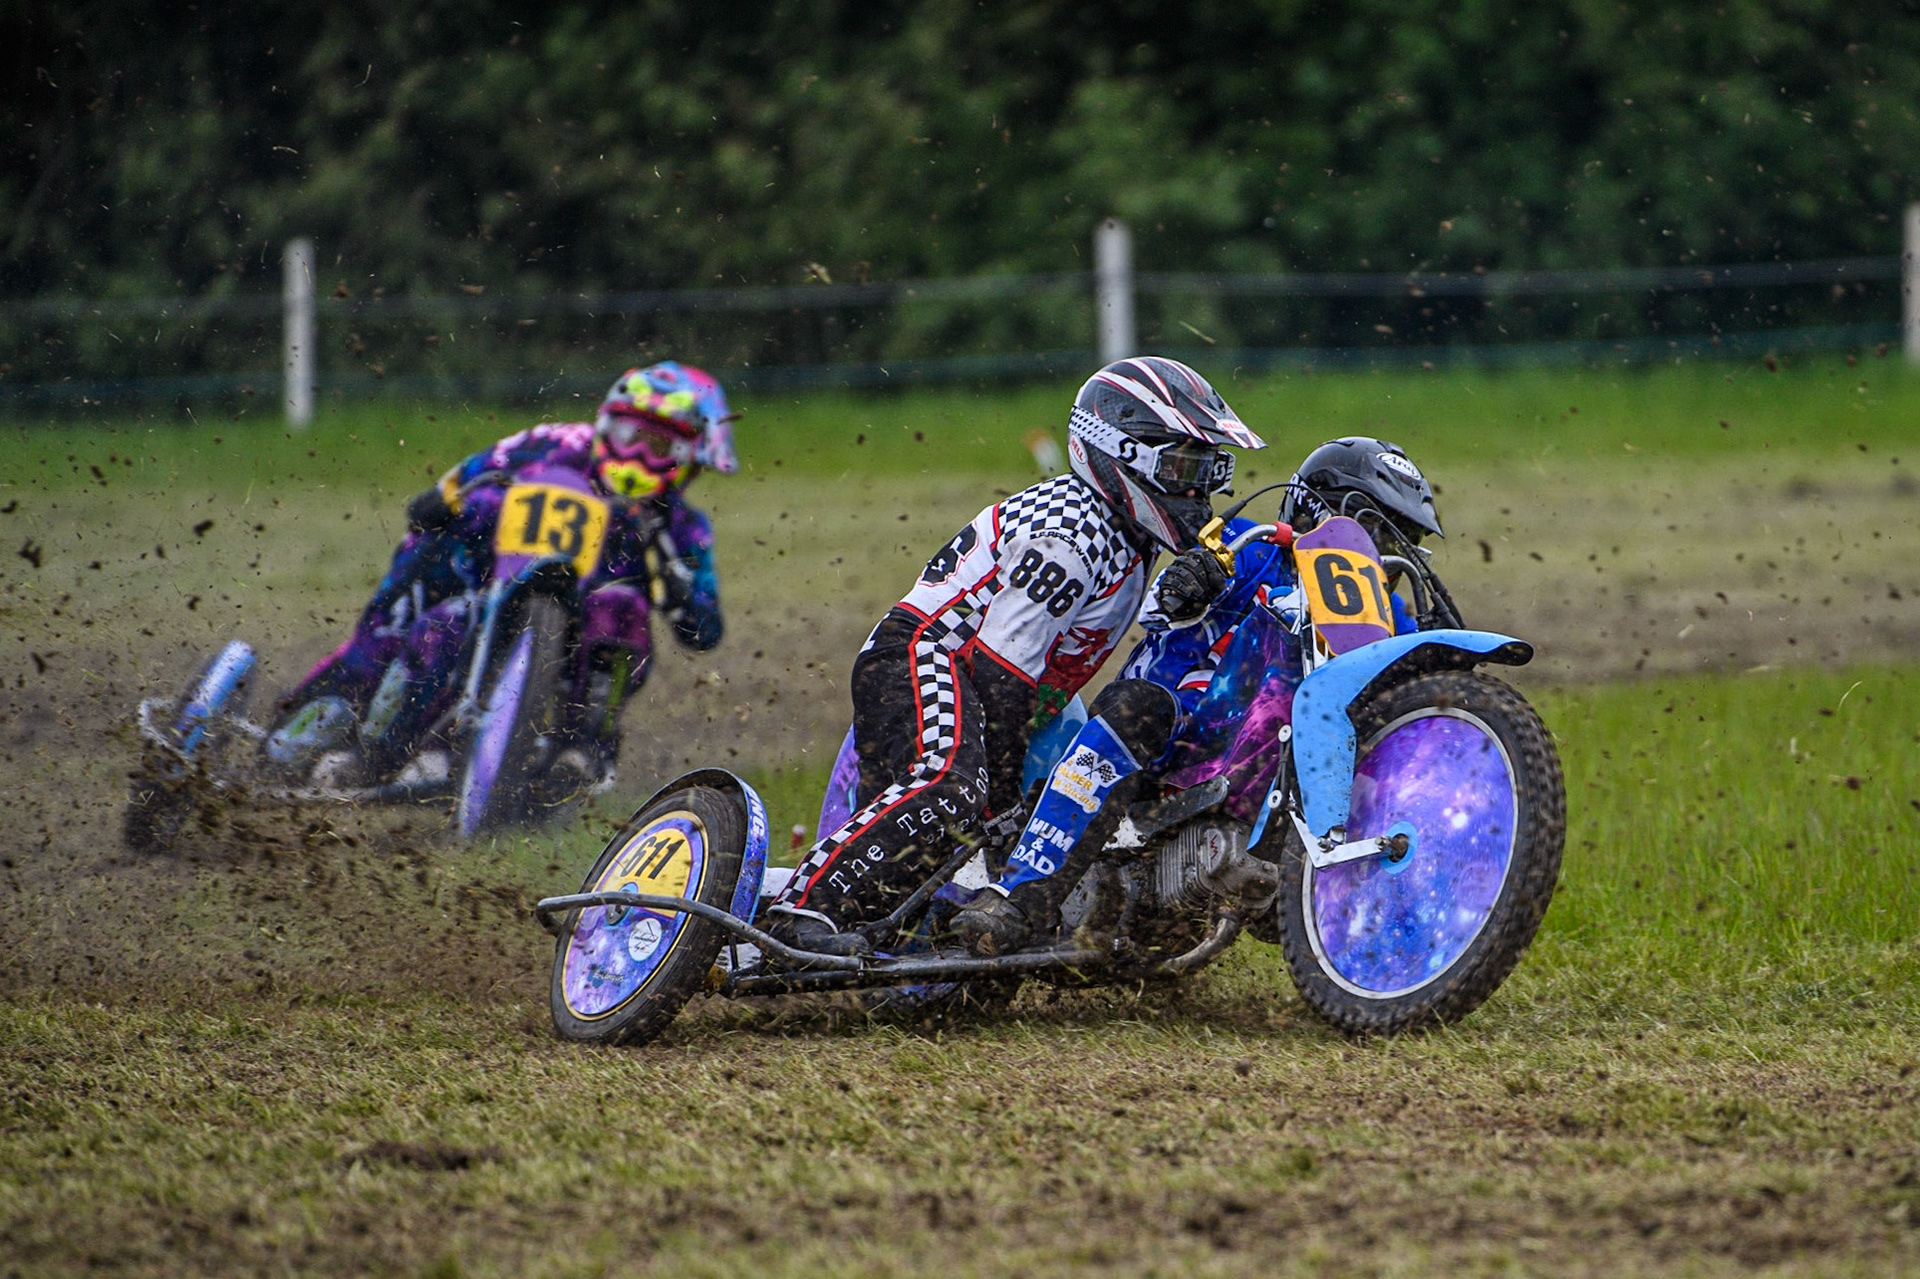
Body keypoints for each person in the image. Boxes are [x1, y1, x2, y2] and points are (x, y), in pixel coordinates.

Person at [761, 356, 1266, 957]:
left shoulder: (1127, 536)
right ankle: (798, 913)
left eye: (1211, 471)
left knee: (1076, 804)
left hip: (1017, 698)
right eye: (1185, 469)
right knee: (954, 789)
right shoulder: (1071, 532)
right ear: (1122, 456)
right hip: (927, 655)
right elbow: (998, 675)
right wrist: (997, 803)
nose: (1199, 492)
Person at [951, 435, 1444, 952]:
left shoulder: (1383, 611)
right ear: (1319, 509)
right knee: (1139, 709)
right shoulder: (1248, 544)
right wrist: (1193, 578)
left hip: (1279, 759)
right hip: (1173, 731)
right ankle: (1021, 893)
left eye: (1403, 539)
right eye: (1378, 531)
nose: (1385, 552)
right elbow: (1162, 609)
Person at [265, 361, 737, 792]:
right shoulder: (554, 445)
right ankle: (368, 723)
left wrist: (670, 571)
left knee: (624, 609)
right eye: (626, 434)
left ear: (688, 457)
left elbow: (703, 629)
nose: (634, 454)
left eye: (654, 445)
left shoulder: (678, 526)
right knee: (442, 613)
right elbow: (452, 488)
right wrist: (446, 503)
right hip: (488, 589)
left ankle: (582, 747)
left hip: (577, 651)